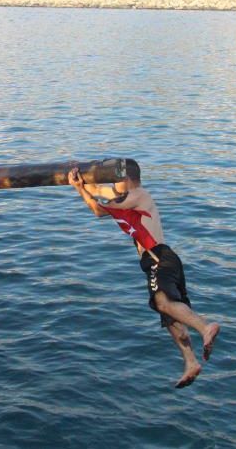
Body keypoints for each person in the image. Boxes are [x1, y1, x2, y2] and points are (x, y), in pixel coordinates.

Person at [68, 161, 220, 389]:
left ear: (126, 180)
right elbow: (99, 191)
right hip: (161, 260)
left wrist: (80, 190)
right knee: (171, 320)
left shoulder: (138, 195)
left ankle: (205, 327)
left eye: (114, 180)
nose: (112, 185)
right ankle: (191, 362)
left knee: (162, 301)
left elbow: (99, 210)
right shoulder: (131, 194)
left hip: (160, 258)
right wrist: (81, 181)